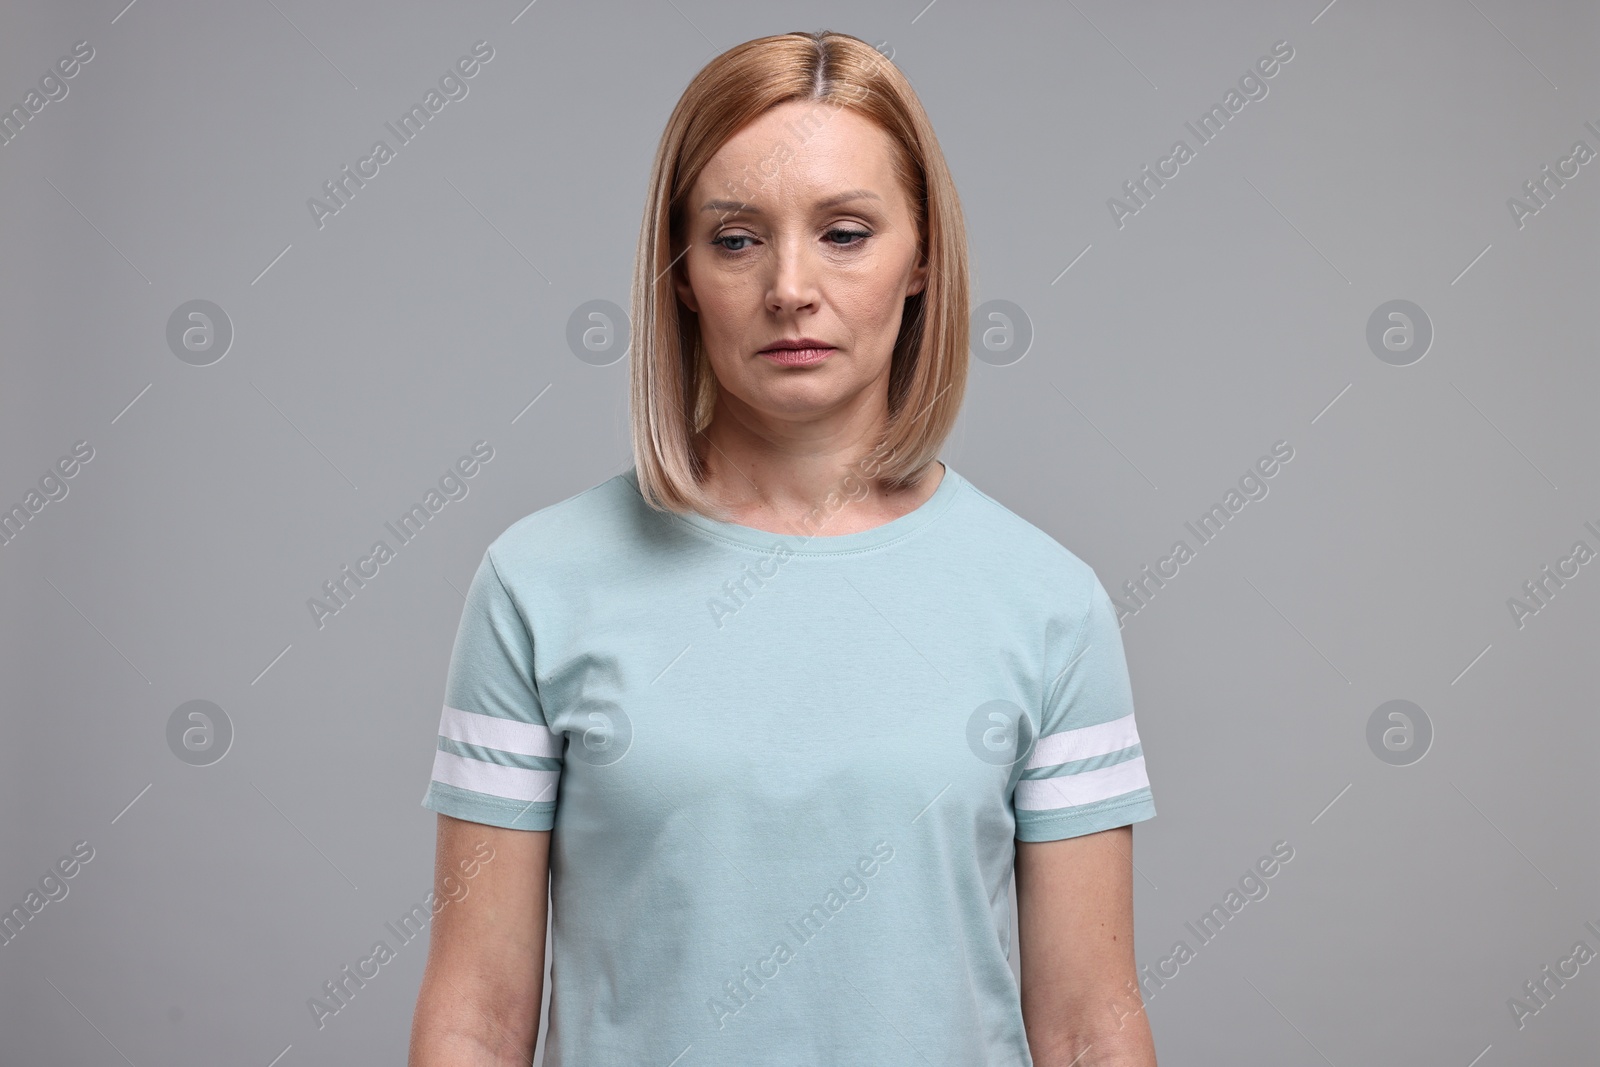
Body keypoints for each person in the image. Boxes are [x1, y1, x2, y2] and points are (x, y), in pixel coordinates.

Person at [408, 29, 1158, 1067]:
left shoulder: (1047, 603)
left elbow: (1086, 1031)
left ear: (921, 259)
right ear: (678, 273)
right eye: (735, 238)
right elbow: (475, 1022)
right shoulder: (535, 586)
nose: (789, 287)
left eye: (845, 232)